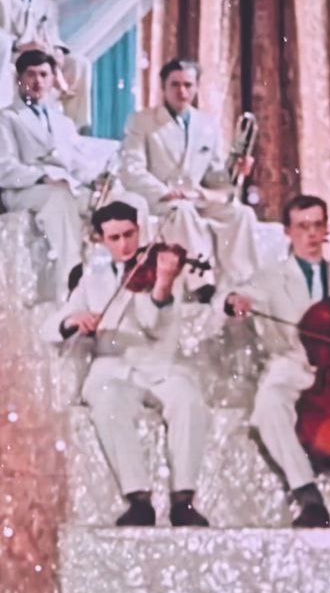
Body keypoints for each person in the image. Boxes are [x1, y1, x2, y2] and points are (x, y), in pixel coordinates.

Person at [222, 194, 330, 528]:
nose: (312, 234)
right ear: (288, 231)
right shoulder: (271, 276)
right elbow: (232, 296)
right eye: (303, 227)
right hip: (295, 363)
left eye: (318, 225)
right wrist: (234, 300)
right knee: (269, 406)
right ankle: (308, 495)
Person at [44, 201, 211, 527]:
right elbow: (51, 326)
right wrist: (74, 320)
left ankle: (183, 499)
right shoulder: (91, 278)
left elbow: (152, 323)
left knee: (188, 400)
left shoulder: (161, 267)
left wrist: (162, 284)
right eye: (115, 237)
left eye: (130, 234)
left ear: (139, 230)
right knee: (107, 405)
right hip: (113, 368)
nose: (125, 245)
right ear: (100, 239)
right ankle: (138, 499)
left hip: (159, 364)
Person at [0, 49, 142, 300]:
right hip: (25, 191)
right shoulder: (5, 117)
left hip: (66, 187)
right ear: (18, 79)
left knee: (122, 201)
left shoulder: (62, 121)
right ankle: (70, 283)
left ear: (52, 80)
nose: (37, 81)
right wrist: (43, 175)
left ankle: (129, 277)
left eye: (43, 75)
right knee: (60, 198)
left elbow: (76, 163)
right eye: (30, 74)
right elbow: (4, 171)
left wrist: (98, 178)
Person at [120, 58, 258, 296]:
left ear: (196, 87)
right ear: (163, 87)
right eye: (175, 85)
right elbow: (131, 169)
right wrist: (165, 192)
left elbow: (213, 176)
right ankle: (200, 281)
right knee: (182, 210)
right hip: (160, 200)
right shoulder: (142, 122)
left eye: (188, 85)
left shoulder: (207, 125)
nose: (182, 92)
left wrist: (235, 170)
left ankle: (241, 281)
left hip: (194, 197)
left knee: (241, 213)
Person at [0, 0, 93, 131]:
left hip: (41, 55)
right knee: (14, 70)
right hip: (12, 55)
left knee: (79, 63)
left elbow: (53, 36)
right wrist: (19, 45)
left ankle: (76, 126)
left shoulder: (47, 3)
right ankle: (17, 124)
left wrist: (57, 51)